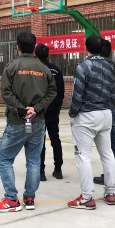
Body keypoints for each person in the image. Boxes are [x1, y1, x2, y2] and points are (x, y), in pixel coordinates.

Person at [0, 32, 57, 213]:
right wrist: (36, 108)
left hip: (17, 121)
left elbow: (5, 92)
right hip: (37, 121)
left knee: (4, 158)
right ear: (34, 47)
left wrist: (21, 110)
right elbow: (52, 92)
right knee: (34, 160)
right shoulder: (43, 68)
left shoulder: (12, 67)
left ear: (17, 47)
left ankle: (11, 199)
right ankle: (29, 197)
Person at [67, 35, 115, 210]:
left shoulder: (83, 67)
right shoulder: (111, 67)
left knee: (83, 156)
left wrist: (73, 114)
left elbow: (77, 93)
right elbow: (114, 94)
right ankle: (110, 192)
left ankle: (87, 197)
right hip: (106, 114)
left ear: (85, 47)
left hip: (87, 116)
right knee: (107, 154)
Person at [94, 40, 115, 185]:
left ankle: (109, 175)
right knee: (114, 140)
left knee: (101, 143)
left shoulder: (96, 67)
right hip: (112, 108)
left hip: (98, 109)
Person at [34, 44, 65, 181]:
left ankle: (41, 171)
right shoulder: (56, 70)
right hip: (53, 111)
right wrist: (57, 108)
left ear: (36, 55)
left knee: (39, 140)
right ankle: (58, 170)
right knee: (55, 139)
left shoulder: (35, 70)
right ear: (48, 55)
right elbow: (61, 92)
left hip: (39, 110)